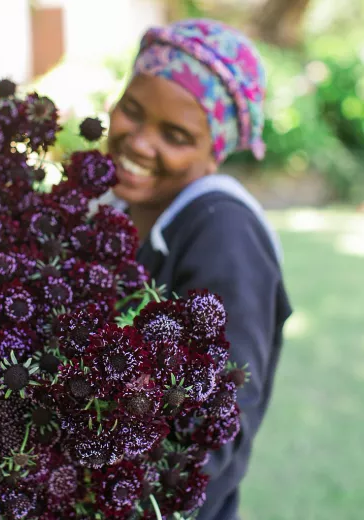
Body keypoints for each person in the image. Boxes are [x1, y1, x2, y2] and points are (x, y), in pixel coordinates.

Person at [106, 19, 293, 520]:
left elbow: (217, 431)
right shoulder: (110, 213)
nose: (140, 143)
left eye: (176, 135)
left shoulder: (224, 235)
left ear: (215, 152)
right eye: (132, 110)